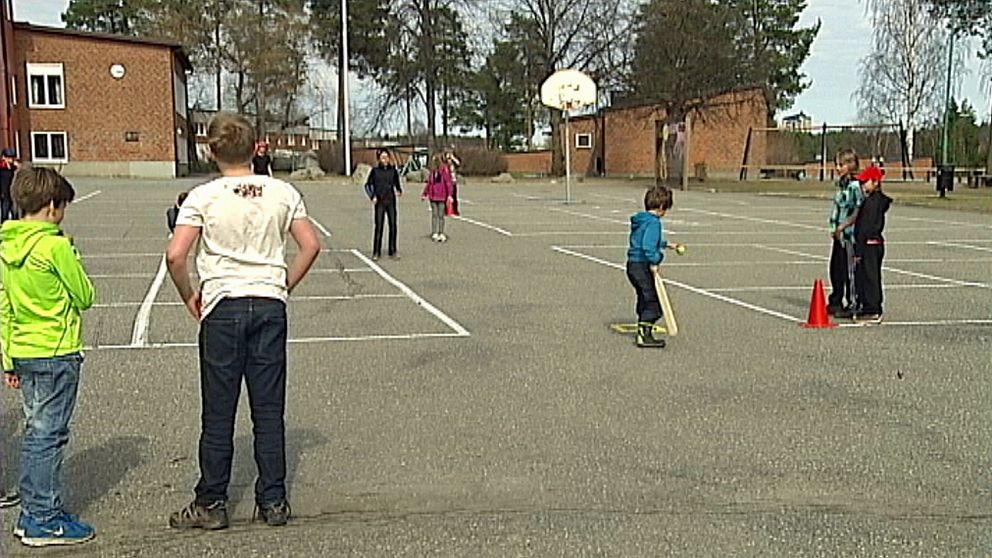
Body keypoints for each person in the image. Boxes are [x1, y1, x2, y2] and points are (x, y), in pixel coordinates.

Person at [165, 113, 320, 531]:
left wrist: (189, 294)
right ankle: (273, 500)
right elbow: (310, 244)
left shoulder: (203, 196)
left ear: (210, 150)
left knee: (219, 411)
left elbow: (176, 255)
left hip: (224, 304)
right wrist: (283, 282)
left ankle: (211, 501)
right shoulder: (283, 192)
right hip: (269, 301)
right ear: (255, 148)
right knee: (268, 409)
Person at [1, 167, 95, 547]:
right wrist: (71, 252)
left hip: (23, 348)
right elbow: (85, 295)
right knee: (48, 435)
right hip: (55, 350)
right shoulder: (55, 246)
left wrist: (8, 357)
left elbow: (5, 306)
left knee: (35, 432)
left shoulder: (6, 247)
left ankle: (33, 510)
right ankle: (43, 516)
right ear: (53, 206)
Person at [625, 186, 682, 349]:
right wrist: (654, 261)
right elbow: (648, 246)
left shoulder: (641, 220)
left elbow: (644, 239)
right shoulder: (654, 223)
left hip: (632, 265)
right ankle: (644, 334)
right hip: (642, 265)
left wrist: (667, 244)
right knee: (654, 302)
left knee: (644, 296)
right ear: (662, 207)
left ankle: (643, 327)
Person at [827, 148, 864, 319]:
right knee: (836, 268)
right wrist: (834, 228)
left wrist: (843, 226)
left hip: (849, 235)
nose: (837, 168)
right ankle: (835, 300)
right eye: (836, 164)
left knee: (849, 271)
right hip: (839, 235)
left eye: (840, 164)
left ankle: (853, 302)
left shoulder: (855, 186)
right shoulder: (841, 184)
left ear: (850, 165)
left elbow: (857, 210)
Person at [853, 165, 891, 324]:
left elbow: (865, 228)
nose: (862, 186)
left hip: (870, 244)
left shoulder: (872, 204)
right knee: (863, 275)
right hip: (871, 244)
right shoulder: (869, 201)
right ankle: (865, 305)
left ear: (875, 182)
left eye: (865, 182)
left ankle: (873, 308)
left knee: (870, 277)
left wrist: (858, 251)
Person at [365, 148, 403, 260]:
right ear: (379, 159)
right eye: (382, 157)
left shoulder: (393, 171)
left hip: (391, 201)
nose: (384, 159)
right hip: (380, 201)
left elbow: (396, 183)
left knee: (393, 225)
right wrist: (372, 196)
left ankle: (393, 251)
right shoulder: (375, 171)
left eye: (386, 157)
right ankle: (376, 252)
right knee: (379, 226)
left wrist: (399, 190)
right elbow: (368, 185)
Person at [421, 154, 453, 242]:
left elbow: (448, 183)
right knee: (434, 215)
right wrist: (425, 194)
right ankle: (434, 232)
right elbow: (429, 184)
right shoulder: (432, 172)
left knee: (441, 215)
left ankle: (441, 232)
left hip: (442, 196)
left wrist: (450, 195)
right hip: (433, 196)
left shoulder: (444, 171)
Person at [0, 147, 19, 223]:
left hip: (12, 193)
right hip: (4, 193)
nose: (11, 160)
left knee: (15, 213)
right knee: (5, 213)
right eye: (9, 158)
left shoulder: (13, 168)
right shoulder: (2, 167)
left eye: (12, 158)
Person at [444, 150, 461, 216]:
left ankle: (455, 210)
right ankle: (445, 210)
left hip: (453, 182)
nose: (449, 160)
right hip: (447, 183)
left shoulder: (453, 165)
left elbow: (458, 163)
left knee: (454, 197)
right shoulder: (445, 165)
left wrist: (453, 157)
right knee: (446, 197)